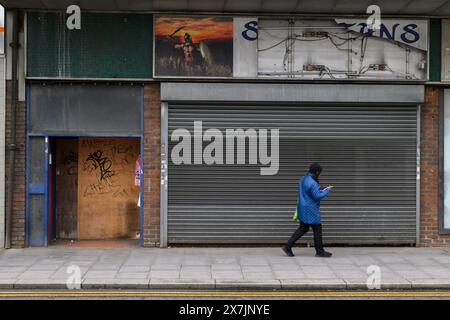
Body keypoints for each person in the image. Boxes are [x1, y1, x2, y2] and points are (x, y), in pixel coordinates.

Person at [282, 163, 334, 258]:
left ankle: (287, 246)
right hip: (310, 209)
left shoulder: (303, 179)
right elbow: (317, 196)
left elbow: (308, 192)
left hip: (302, 206)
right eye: (319, 172)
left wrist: (319, 189)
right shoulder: (312, 182)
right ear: (317, 172)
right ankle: (320, 252)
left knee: (303, 228)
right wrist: (327, 190)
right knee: (317, 228)